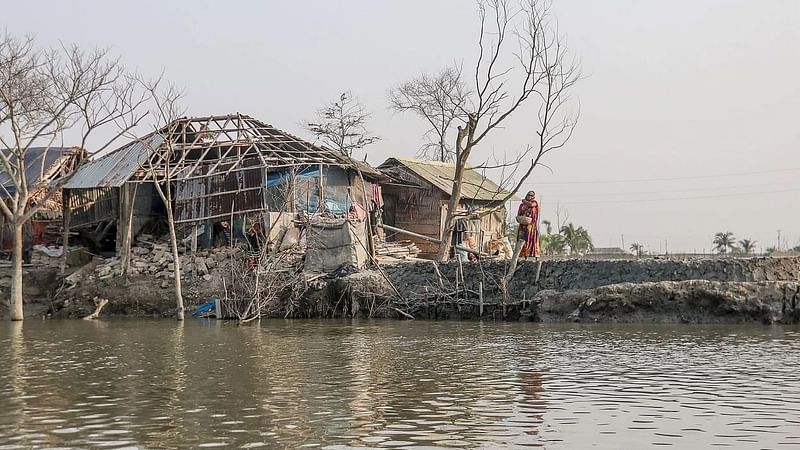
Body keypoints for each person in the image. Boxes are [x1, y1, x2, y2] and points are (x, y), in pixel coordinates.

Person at [517, 191, 540, 258]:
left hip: (531, 225)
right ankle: (521, 253)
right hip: (522, 225)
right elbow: (519, 213)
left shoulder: (534, 203)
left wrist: (524, 201)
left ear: (533, 197)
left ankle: (531, 253)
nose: (529, 196)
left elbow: (531, 205)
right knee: (521, 238)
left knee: (529, 238)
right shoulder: (522, 205)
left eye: (531, 195)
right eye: (528, 195)